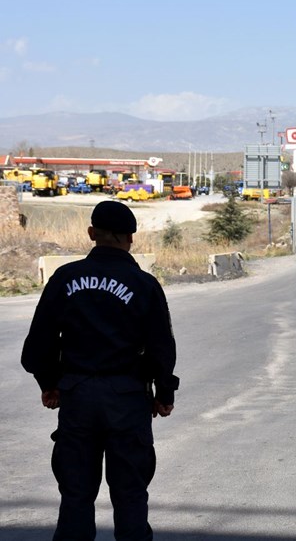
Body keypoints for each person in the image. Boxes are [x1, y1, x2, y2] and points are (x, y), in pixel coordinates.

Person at [21, 200, 179, 541]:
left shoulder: (65, 278)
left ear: (91, 233)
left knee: (76, 497)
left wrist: (50, 384)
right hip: (127, 400)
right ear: (130, 240)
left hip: (77, 399)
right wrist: (164, 395)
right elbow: (162, 349)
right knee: (130, 497)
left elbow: (36, 348)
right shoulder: (144, 285)